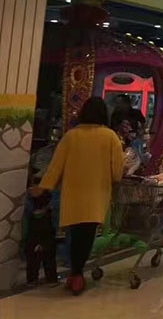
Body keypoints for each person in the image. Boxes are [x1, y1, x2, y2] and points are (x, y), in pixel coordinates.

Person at [31, 97, 124, 295]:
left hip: (73, 194)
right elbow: (117, 171)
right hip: (96, 194)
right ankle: (77, 274)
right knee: (87, 235)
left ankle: (75, 274)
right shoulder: (110, 137)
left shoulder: (71, 136)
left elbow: (56, 166)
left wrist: (44, 186)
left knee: (74, 235)